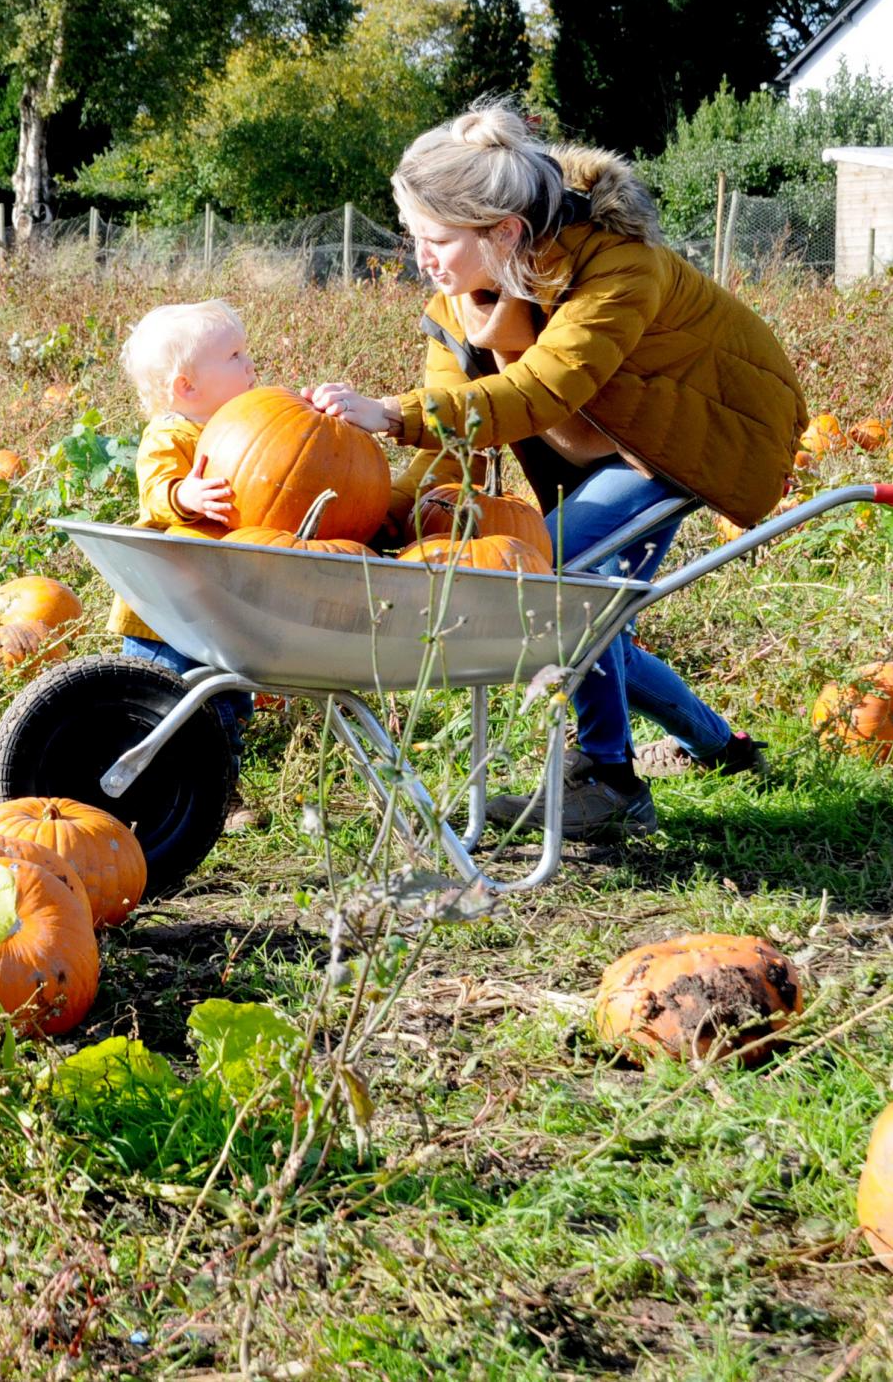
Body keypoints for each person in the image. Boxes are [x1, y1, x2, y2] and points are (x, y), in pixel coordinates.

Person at [305, 104, 806, 840]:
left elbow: (542, 389)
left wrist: (391, 412)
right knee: (593, 618)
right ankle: (719, 745)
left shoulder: (616, 265)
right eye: (414, 237)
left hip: (689, 434)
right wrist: (390, 515)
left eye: (437, 239)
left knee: (562, 586)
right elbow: (456, 442)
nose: (422, 258)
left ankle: (608, 780)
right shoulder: (458, 299)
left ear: (503, 231)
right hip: (589, 441)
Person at [108, 298, 259, 743]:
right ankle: (156, 786)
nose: (250, 363)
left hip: (216, 602)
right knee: (163, 702)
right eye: (234, 356)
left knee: (226, 707)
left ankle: (223, 792)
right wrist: (183, 495)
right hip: (166, 608)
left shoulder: (248, 427)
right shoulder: (169, 435)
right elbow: (155, 492)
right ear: (187, 387)